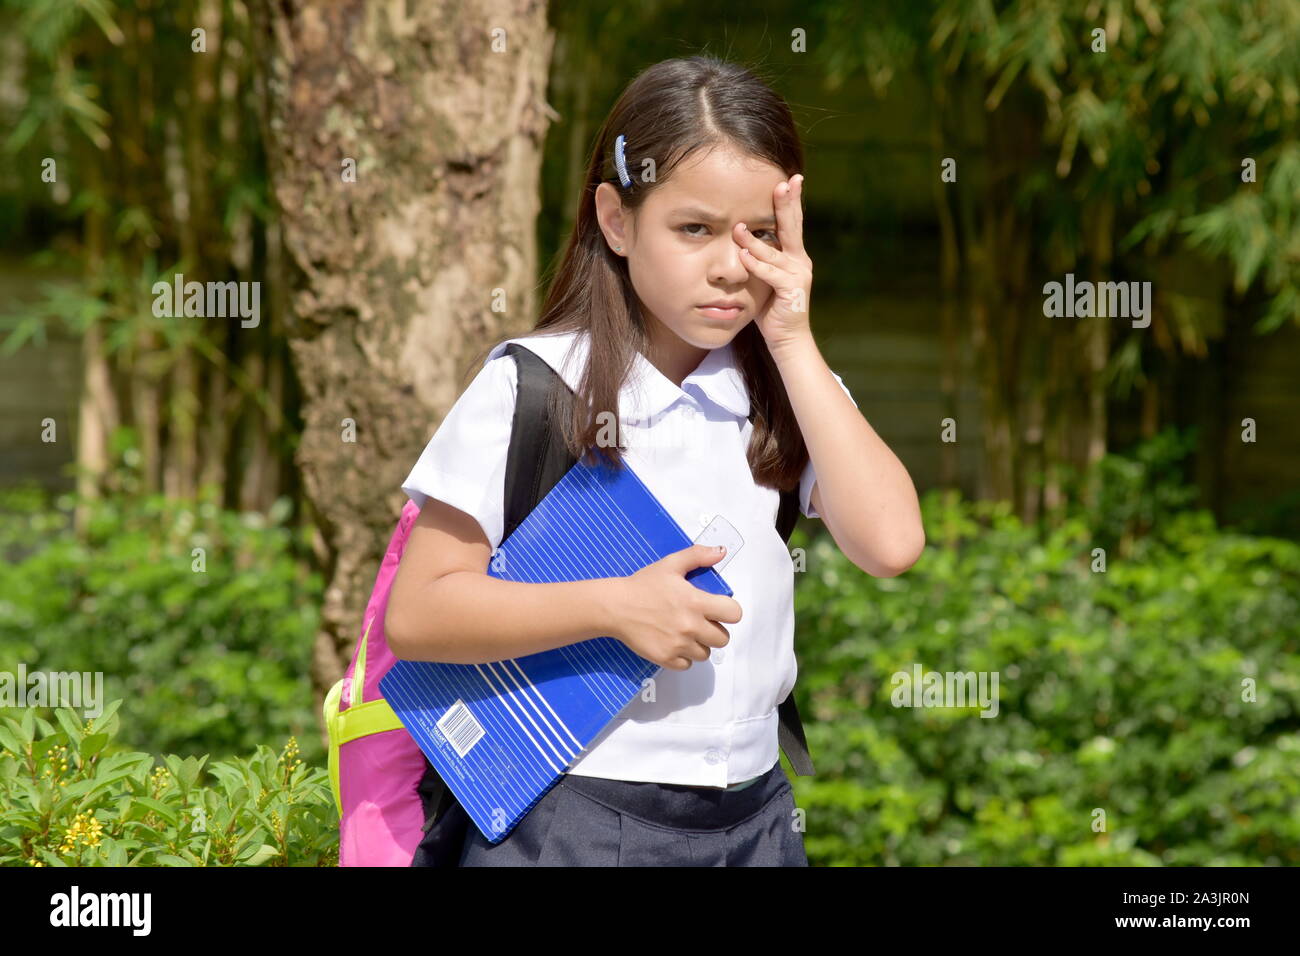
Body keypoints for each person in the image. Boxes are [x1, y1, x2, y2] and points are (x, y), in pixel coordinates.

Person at [385, 55, 925, 866]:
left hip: (756, 818)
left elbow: (890, 544)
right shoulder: (533, 385)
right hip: (568, 817)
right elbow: (419, 614)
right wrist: (612, 608)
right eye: (695, 229)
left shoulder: (788, 387)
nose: (731, 265)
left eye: (762, 235)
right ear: (616, 220)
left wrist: (793, 339)